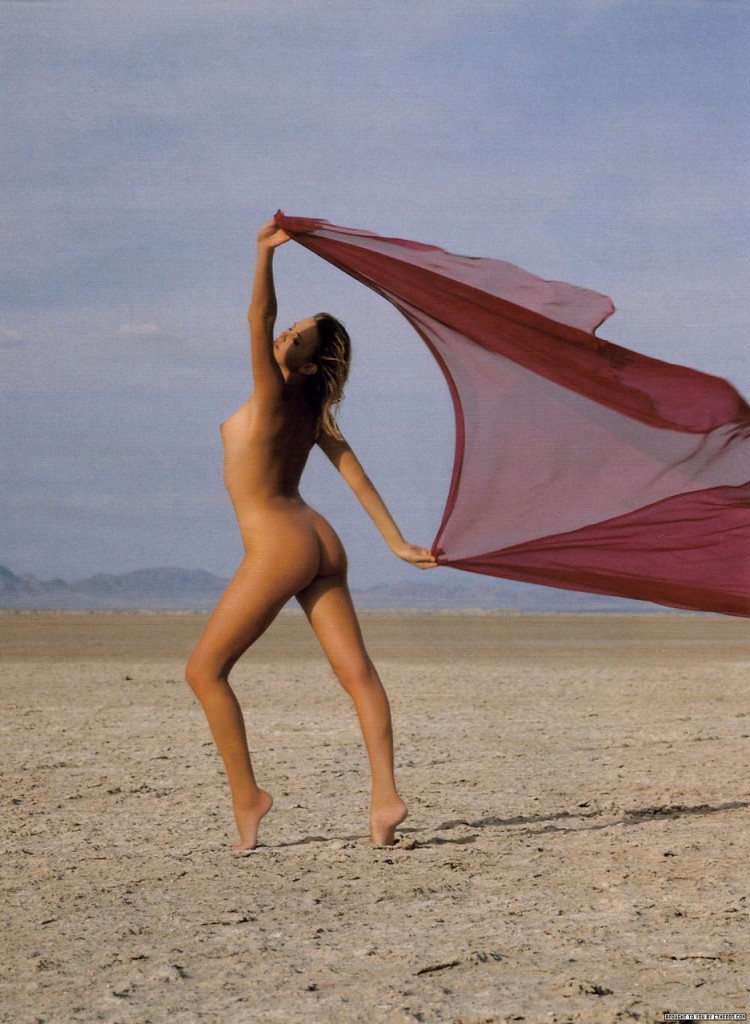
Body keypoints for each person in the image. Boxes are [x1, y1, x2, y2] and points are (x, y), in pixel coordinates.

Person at [185, 219, 437, 852]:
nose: (283, 334)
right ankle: (385, 799)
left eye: (296, 337)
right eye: (291, 328)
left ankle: (249, 797)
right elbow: (356, 476)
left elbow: (255, 316)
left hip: (281, 543)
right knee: (358, 674)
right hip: (319, 540)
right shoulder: (314, 411)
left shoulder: (275, 393)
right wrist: (395, 542)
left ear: (310, 360)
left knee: (204, 671)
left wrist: (263, 255)